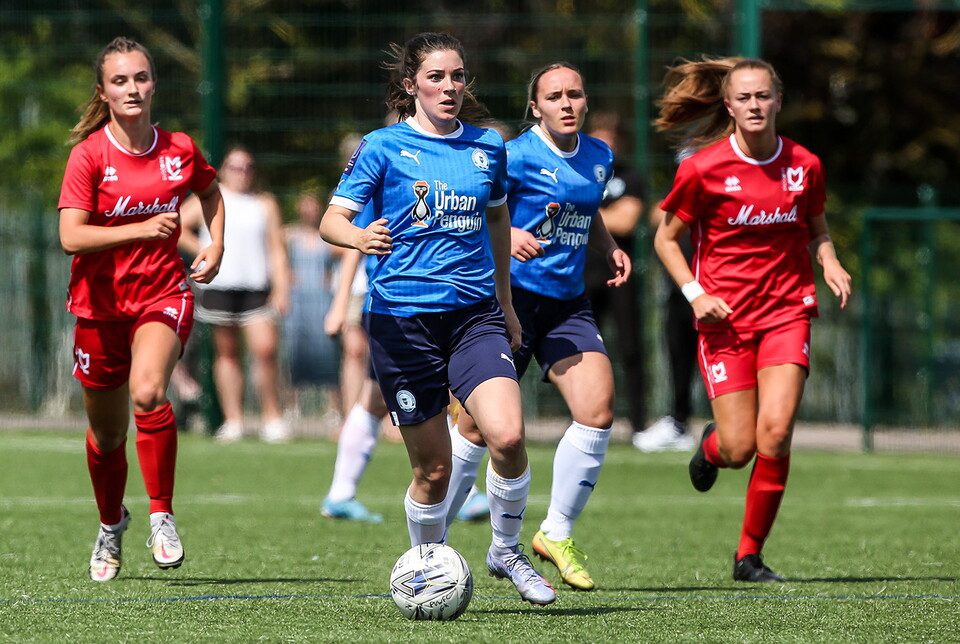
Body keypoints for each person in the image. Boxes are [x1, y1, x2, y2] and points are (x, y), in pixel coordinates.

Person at [318, 32, 555, 606]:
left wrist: (505, 304)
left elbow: (498, 225)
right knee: (434, 473)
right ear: (411, 85)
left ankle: (505, 549)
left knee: (509, 434)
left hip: (475, 315)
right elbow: (331, 221)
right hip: (402, 323)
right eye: (436, 78)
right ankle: (428, 568)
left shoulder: (487, 147)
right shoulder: (381, 146)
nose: (450, 87)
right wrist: (359, 234)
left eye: (457, 77)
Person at [653, 57, 851, 582]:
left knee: (777, 433)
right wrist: (695, 294)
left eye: (763, 96)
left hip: (788, 312)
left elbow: (817, 229)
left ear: (778, 101)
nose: (755, 106)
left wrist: (829, 260)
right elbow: (665, 239)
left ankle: (749, 555)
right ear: (729, 106)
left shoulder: (804, 164)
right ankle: (711, 449)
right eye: (744, 98)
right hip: (726, 322)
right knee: (739, 448)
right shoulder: (702, 169)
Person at [443, 62, 631, 592]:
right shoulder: (514, 155)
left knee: (597, 410)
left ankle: (555, 532)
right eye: (554, 96)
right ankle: (432, 541)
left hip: (567, 305)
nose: (566, 103)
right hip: (510, 303)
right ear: (536, 107)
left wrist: (609, 247)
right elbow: (470, 211)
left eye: (575, 93)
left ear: (586, 101)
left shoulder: (599, 156)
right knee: (479, 429)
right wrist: (511, 236)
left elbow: (587, 208)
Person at [57, 36, 225, 581]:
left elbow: (211, 192)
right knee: (107, 437)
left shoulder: (178, 146)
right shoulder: (89, 156)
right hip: (99, 308)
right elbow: (70, 237)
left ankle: (161, 514)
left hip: (162, 294)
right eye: (121, 80)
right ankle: (111, 524)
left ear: (154, 83)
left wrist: (216, 244)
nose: (133, 88)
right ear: (103, 92)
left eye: (142, 77)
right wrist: (139, 229)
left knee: (149, 391)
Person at [180, 147, 292, 443]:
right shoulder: (212, 197)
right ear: (224, 169)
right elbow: (177, 226)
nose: (241, 173)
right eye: (235, 166)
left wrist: (281, 288)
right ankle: (234, 420)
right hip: (220, 286)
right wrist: (204, 254)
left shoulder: (264, 203)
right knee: (227, 355)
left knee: (265, 351)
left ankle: (272, 417)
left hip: (257, 288)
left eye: (248, 167)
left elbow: (276, 249)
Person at [582, 112, 648, 437]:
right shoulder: (578, 172)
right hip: (581, 275)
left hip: (620, 275)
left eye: (612, 139)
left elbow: (627, 222)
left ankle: (638, 425)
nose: (606, 145)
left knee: (630, 348)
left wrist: (585, 214)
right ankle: (579, 419)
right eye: (599, 138)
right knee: (580, 352)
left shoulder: (631, 176)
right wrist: (605, 213)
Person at [632, 203, 697, 452]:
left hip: (718, 286)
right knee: (679, 356)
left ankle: (737, 423)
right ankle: (679, 422)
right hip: (680, 290)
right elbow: (658, 215)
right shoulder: (687, 178)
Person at [283, 191, 342, 421]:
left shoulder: (328, 238)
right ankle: (292, 405)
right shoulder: (288, 236)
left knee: (327, 352)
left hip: (322, 302)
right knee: (293, 353)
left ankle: (333, 407)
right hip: (296, 302)